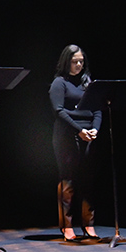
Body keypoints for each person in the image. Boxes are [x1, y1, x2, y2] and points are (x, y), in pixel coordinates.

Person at [48, 44, 102, 241]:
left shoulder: (88, 83)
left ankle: (88, 224)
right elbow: (59, 111)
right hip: (67, 135)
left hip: (89, 134)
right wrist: (79, 130)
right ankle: (67, 226)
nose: (79, 65)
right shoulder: (59, 83)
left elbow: (98, 109)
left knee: (88, 181)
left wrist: (95, 129)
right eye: (74, 61)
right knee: (68, 179)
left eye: (81, 61)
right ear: (66, 62)